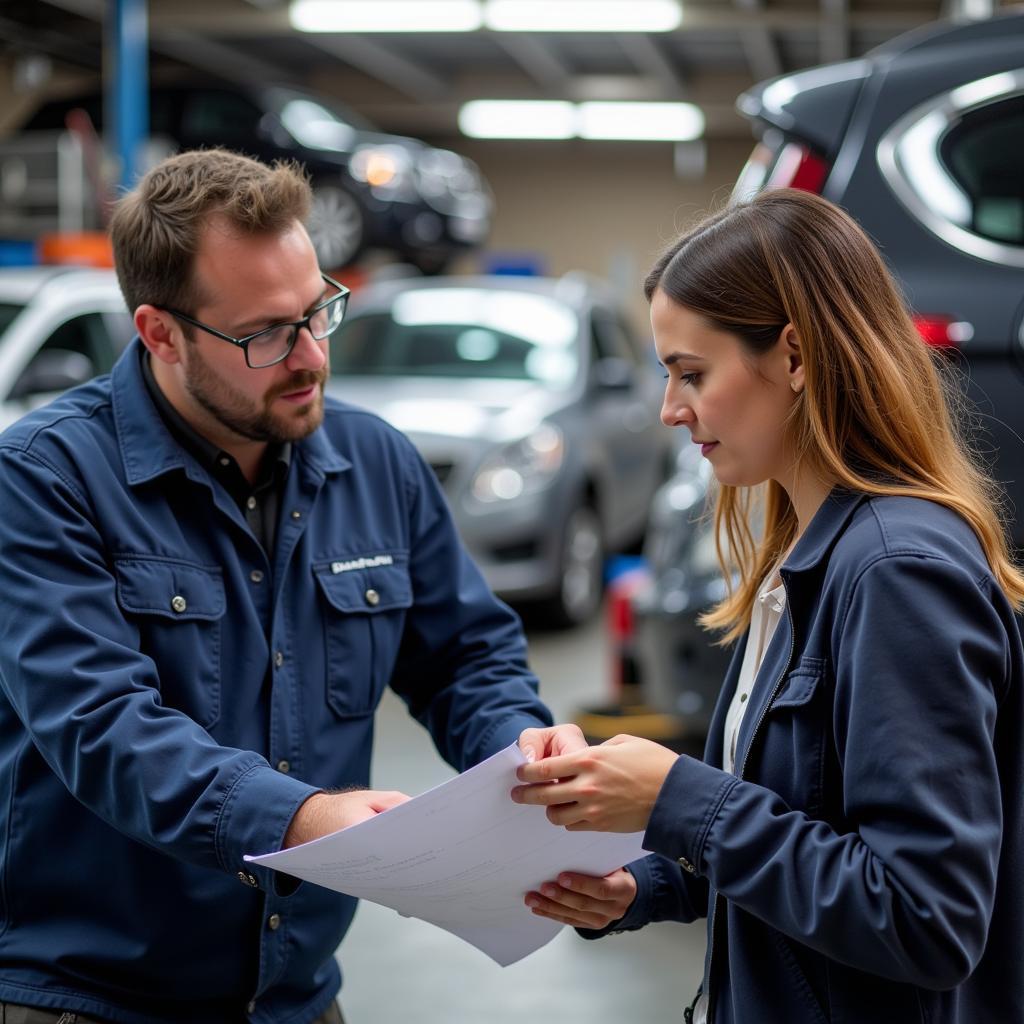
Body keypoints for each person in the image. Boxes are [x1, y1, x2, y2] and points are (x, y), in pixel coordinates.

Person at [0, 148, 578, 1024]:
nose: (310, 355)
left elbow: (464, 656)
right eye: (267, 332)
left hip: (296, 999)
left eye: (318, 312)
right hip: (90, 1000)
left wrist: (523, 753)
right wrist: (305, 819)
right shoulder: (45, 480)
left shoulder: (375, 462)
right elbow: (102, 726)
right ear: (160, 333)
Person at [511, 188, 1024, 1023]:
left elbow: (926, 919)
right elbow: (808, 823)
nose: (672, 410)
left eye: (691, 374)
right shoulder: (811, 555)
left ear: (794, 356)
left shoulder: (897, 574)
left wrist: (679, 798)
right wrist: (646, 883)